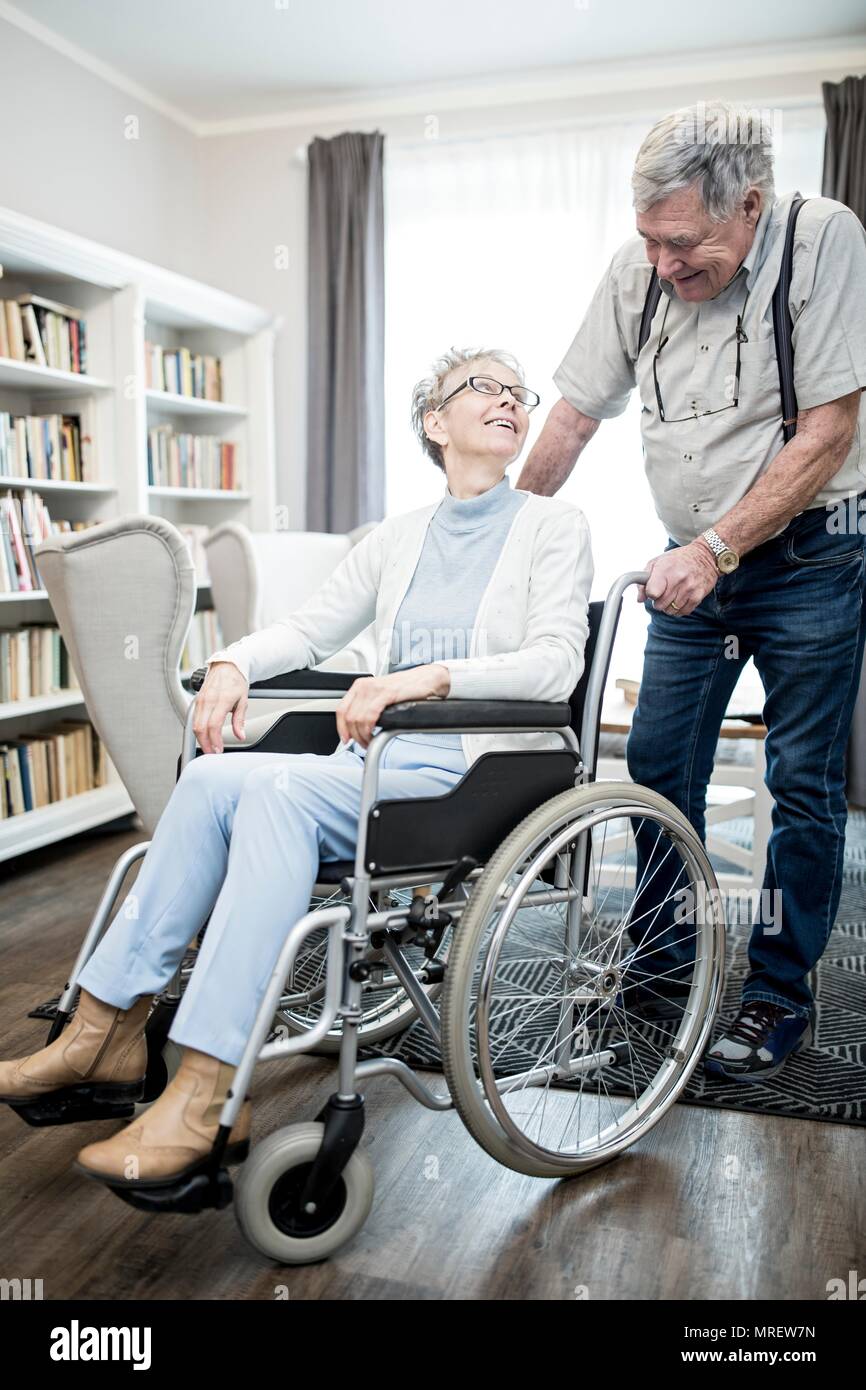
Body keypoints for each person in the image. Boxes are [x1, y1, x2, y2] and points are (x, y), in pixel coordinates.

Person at [0, 347, 593, 1188]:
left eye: (517, 392)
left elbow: (555, 665)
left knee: (278, 791)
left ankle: (208, 1091)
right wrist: (233, 664)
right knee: (209, 779)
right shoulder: (399, 537)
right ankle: (104, 1034)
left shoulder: (551, 526)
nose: (509, 400)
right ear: (435, 422)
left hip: (478, 776)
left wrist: (423, 678)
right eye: (483, 387)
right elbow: (312, 628)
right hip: (379, 766)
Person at [517, 99, 866, 1081]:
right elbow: (573, 415)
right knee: (657, 770)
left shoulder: (821, 240)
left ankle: (774, 992)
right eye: (649, 241)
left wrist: (715, 547)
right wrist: (498, 540)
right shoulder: (640, 268)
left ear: (747, 205)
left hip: (811, 558)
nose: (664, 264)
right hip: (689, 567)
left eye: (684, 245)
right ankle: (663, 960)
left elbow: (827, 431)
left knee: (799, 784)